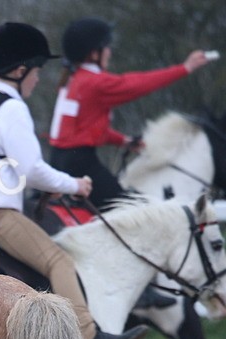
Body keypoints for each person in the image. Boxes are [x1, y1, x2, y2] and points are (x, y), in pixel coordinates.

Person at [0, 21, 148, 339]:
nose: (39, 79)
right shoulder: (11, 108)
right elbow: (32, 170)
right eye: (37, 71)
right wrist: (76, 185)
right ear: (20, 70)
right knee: (59, 261)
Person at [49, 17, 212, 210]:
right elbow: (139, 84)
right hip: (81, 164)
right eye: (107, 46)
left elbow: (82, 129)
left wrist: (123, 141)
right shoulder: (95, 83)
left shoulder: (72, 80)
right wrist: (186, 68)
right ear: (94, 54)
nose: (109, 51)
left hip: (58, 160)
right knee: (132, 211)